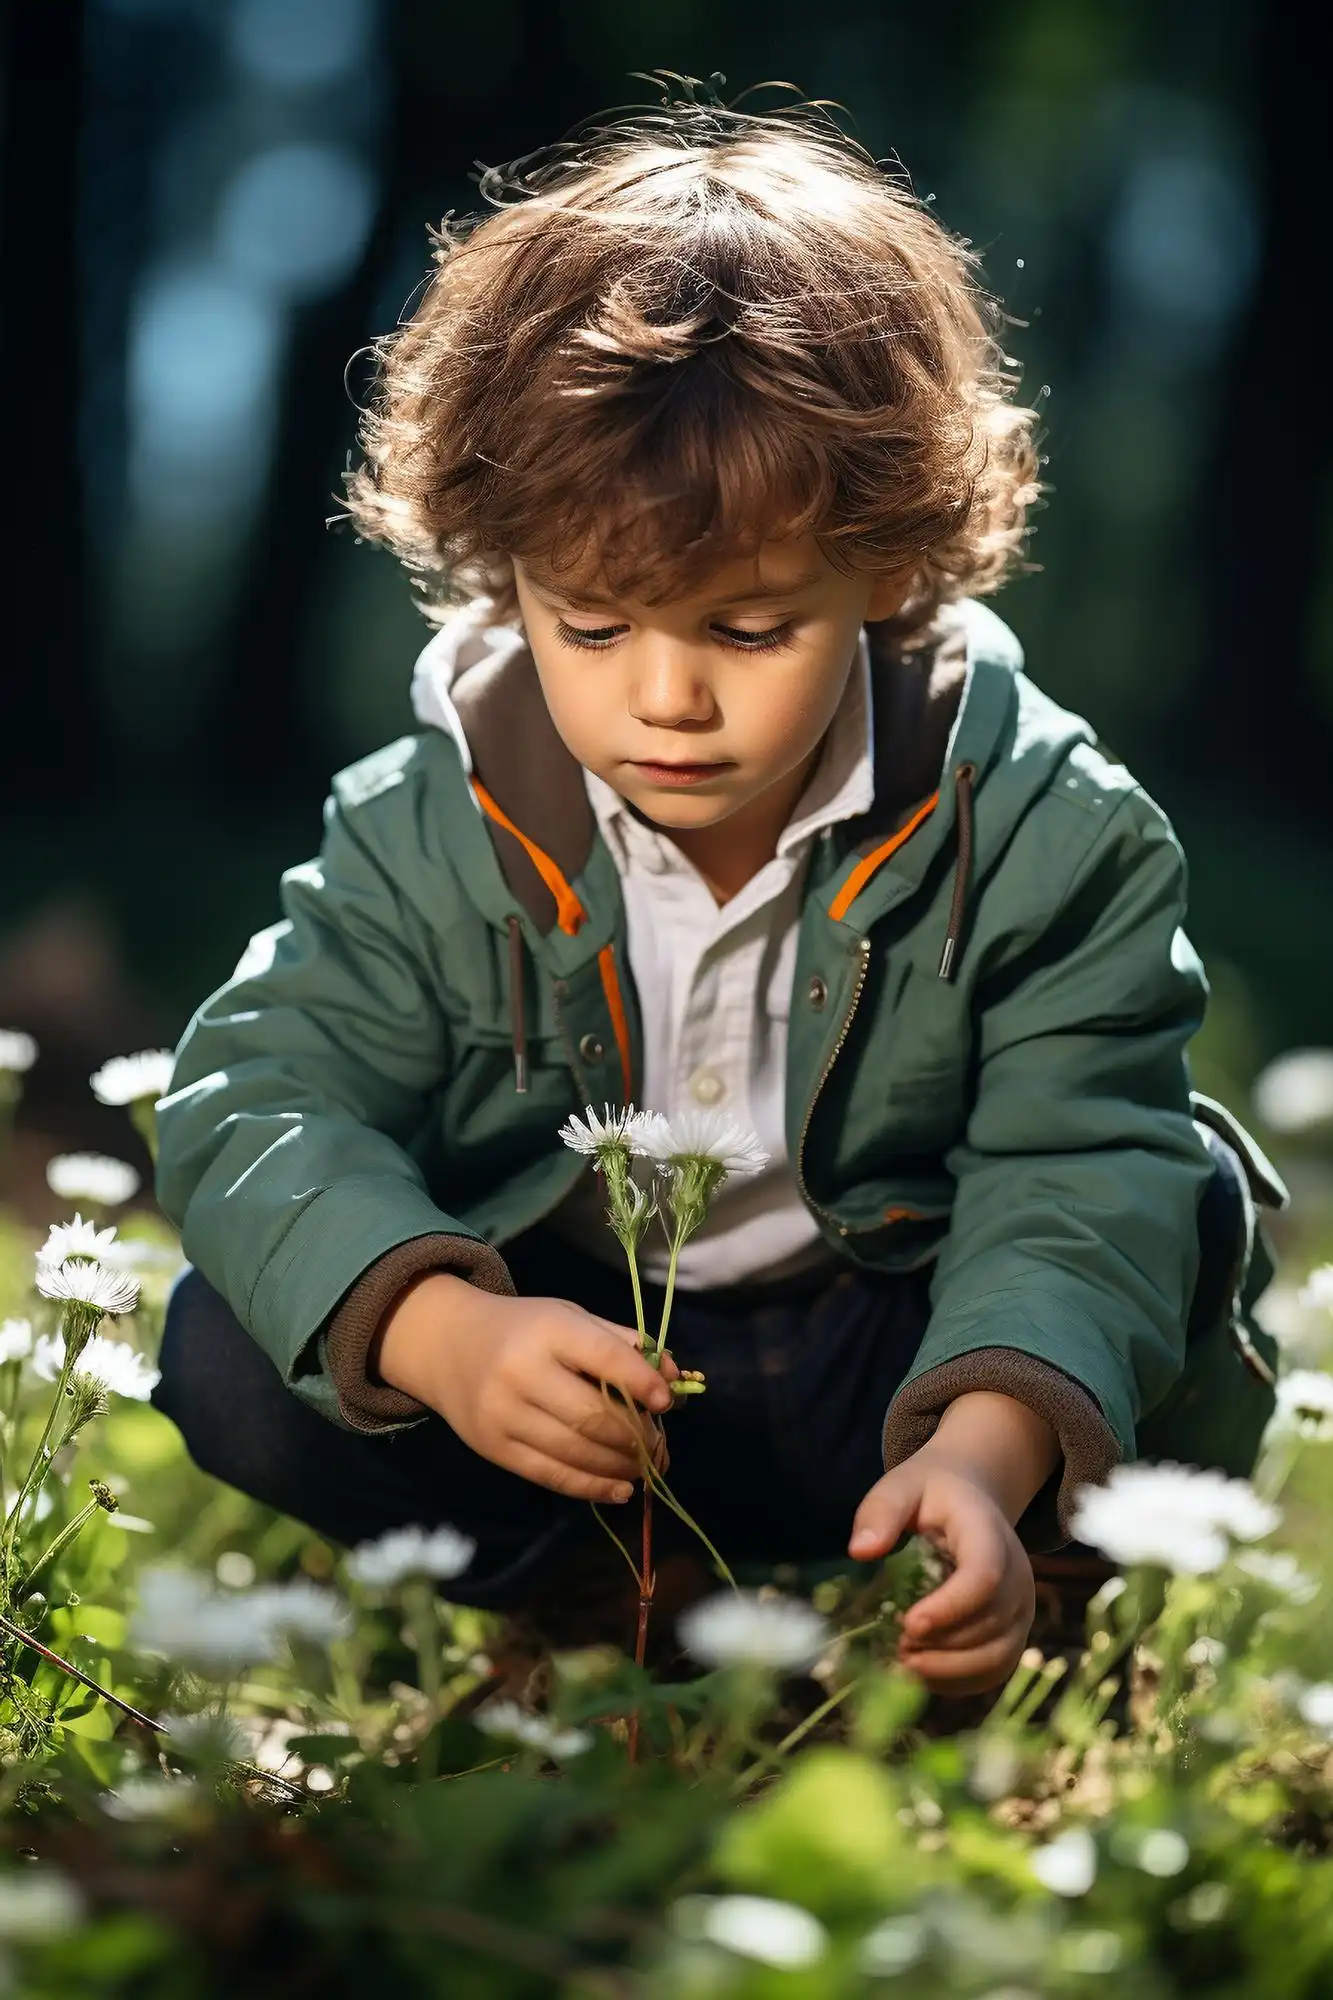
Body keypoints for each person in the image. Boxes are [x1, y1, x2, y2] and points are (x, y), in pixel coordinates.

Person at [152, 83, 1286, 1696]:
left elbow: (1079, 1168)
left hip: (895, 1351)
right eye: (594, 628)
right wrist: (441, 1331)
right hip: (583, 1371)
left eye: (749, 631)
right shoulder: (432, 818)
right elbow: (253, 1090)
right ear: (508, 578)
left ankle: (993, 1612)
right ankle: (616, 1602)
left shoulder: (1046, 825)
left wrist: (989, 1442)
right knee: (233, 1343)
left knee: (1181, 1204)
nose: (666, 700)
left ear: (886, 570)